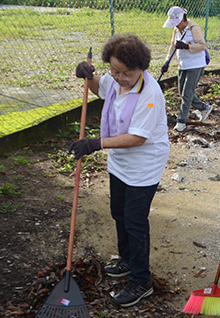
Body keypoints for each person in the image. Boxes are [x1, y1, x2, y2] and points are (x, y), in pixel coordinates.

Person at [73, 34, 170, 307]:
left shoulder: (149, 93)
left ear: (141, 68)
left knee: (135, 221)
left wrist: (95, 143)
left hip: (144, 166)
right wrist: (87, 74)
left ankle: (141, 281)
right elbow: (98, 87)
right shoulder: (115, 81)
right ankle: (127, 260)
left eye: (126, 73)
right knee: (118, 212)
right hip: (120, 163)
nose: (119, 77)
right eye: (114, 70)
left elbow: (137, 138)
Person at [161, 6, 213, 132]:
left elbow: (202, 45)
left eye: (177, 23)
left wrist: (186, 46)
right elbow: (173, 46)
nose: (176, 26)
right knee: (182, 91)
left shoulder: (194, 28)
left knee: (187, 94)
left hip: (195, 65)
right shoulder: (176, 30)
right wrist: (167, 62)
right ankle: (204, 108)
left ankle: (181, 121)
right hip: (183, 64)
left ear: (182, 19)